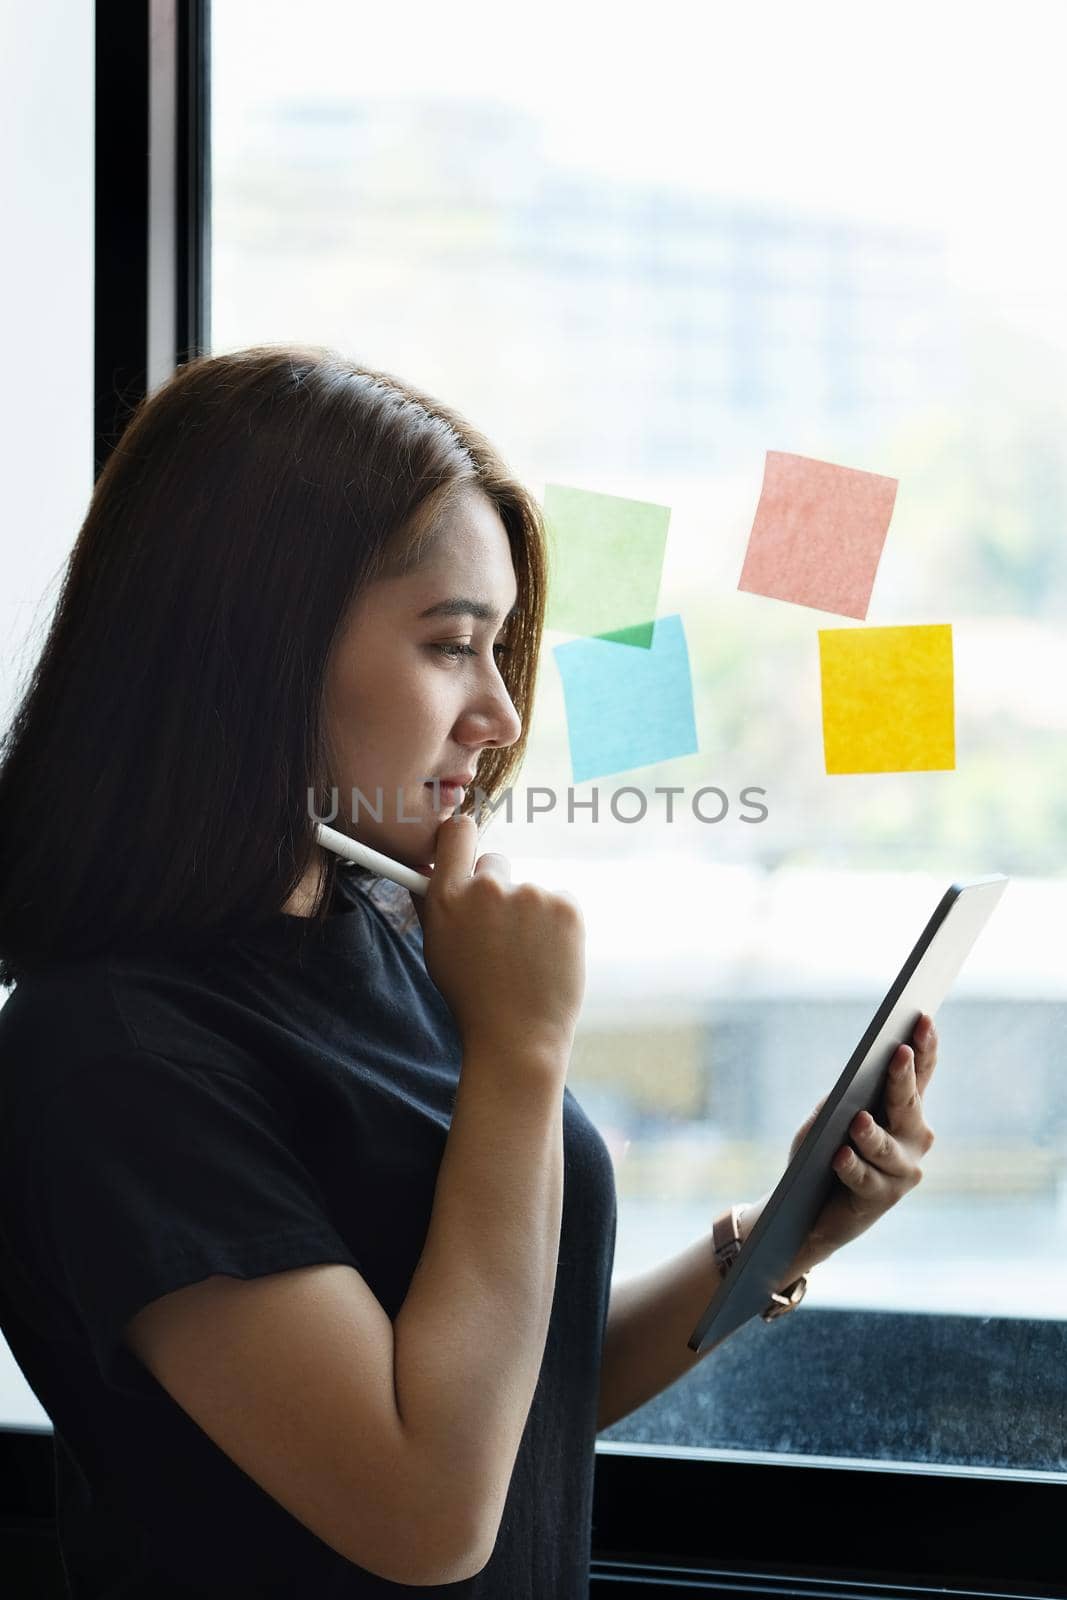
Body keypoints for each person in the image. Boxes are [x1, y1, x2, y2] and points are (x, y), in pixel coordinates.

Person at [0, 344, 937, 1598]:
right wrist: (520, 1048)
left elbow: (514, 1395)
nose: (498, 714)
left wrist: (768, 1241)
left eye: (501, 649)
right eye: (453, 644)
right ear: (253, 649)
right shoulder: (114, 1051)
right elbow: (427, 1507)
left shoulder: (384, 937)